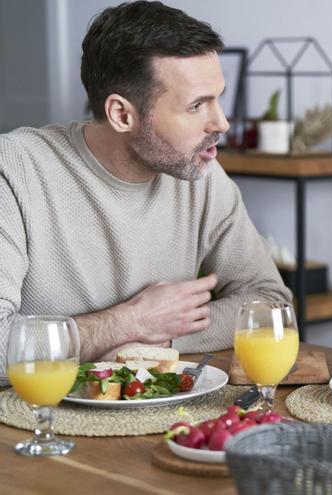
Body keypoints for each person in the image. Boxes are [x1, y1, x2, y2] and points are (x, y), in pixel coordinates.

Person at [0, 1, 291, 381]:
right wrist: (128, 321)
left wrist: (155, 341)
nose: (221, 121)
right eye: (196, 105)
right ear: (122, 114)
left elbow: (270, 305)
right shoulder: (15, 170)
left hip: (161, 417)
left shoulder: (201, 174)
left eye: (218, 97)